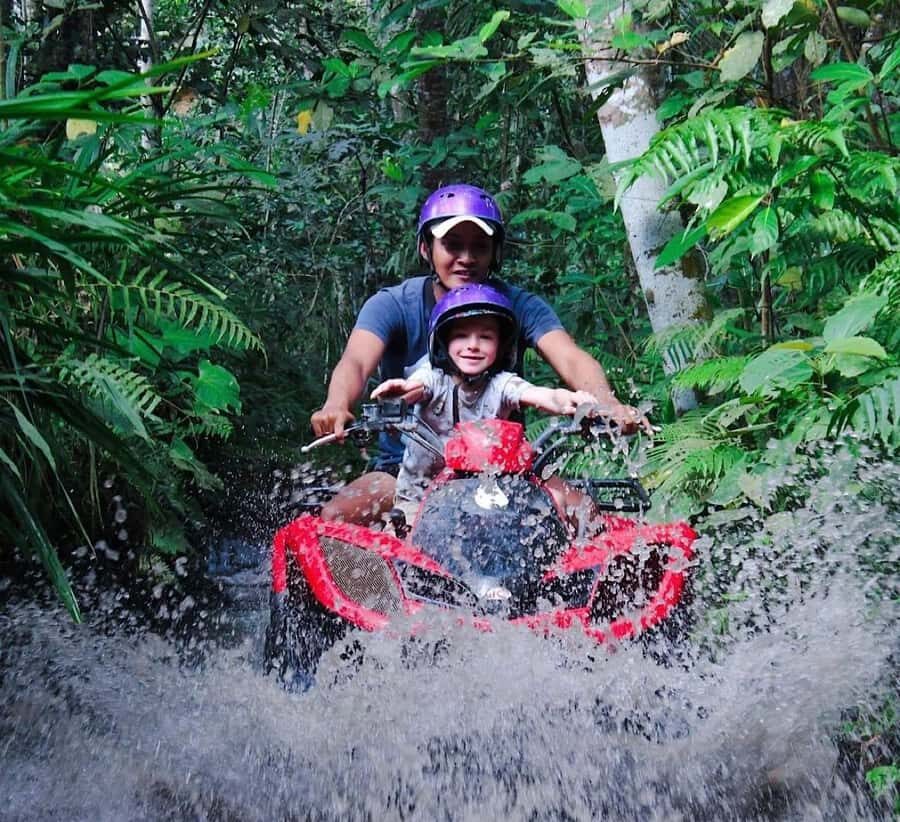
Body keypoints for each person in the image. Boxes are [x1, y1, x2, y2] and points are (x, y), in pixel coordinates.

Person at [310, 183, 647, 525]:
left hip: (505, 471)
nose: (467, 258)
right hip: (406, 474)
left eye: (479, 247)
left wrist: (605, 402)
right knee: (335, 521)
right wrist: (336, 404)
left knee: (582, 511)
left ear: (494, 253)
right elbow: (355, 361)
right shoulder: (394, 304)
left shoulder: (518, 305)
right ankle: (377, 580)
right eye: (453, 246)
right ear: (426, 248)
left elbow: (571, 357)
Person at [371, 284, 599, 524]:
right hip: (419, 498)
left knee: (543, 521)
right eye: (461, 335)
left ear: (501, 346)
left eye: (486, 337)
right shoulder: (432, 378)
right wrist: (401, 394)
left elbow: (540, 395)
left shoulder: (501, 385)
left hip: (488, 495)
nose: (473, 345)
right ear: (442, 342)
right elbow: (416, 387)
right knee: (400, 546)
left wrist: (568, 401)